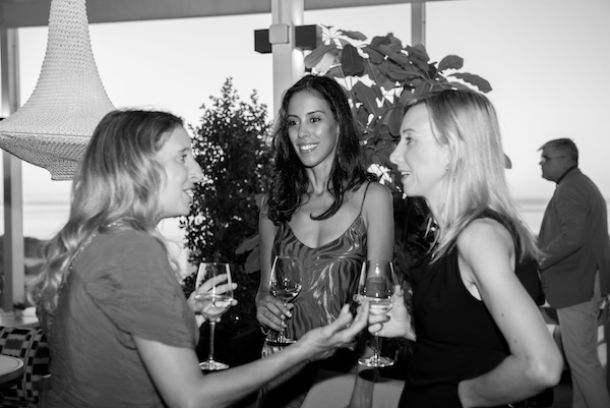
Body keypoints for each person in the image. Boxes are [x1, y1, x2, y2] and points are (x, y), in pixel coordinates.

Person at [31, 109, 370, 408]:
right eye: (183, 157)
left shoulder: (102, 238)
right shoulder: (133, 251)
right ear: (137, 168)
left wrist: (190, 313)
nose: (198, 172)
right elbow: (191, 398)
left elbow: (118, 353)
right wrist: (304, 350)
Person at [369, 88, 563, 408]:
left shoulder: (479, 236)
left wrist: (460, 397)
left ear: (452, 151)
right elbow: (476, 345)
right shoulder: (456, 234)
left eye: (410, 140)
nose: (394, 156)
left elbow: (541, 366)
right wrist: (409, 329)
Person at [255, 74, 394, 407]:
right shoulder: (275, 203)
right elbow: (264, 291)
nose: (302, 133)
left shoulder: (373, 198)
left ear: (339, 125)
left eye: (314, 119)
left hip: (342, 373)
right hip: (279, 371)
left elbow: (378, 303)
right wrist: (262, 305)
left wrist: (364, 389)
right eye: (293, 122)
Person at [537, 138, 610, 408]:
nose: (541, 164)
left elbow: (572, 237)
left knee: (583, 364)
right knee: (582, 364)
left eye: (546, 158)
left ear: (565, 160)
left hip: (577, 286)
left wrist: (539, 258)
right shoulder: (580, 184)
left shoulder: (571, 189)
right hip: (585, 283)